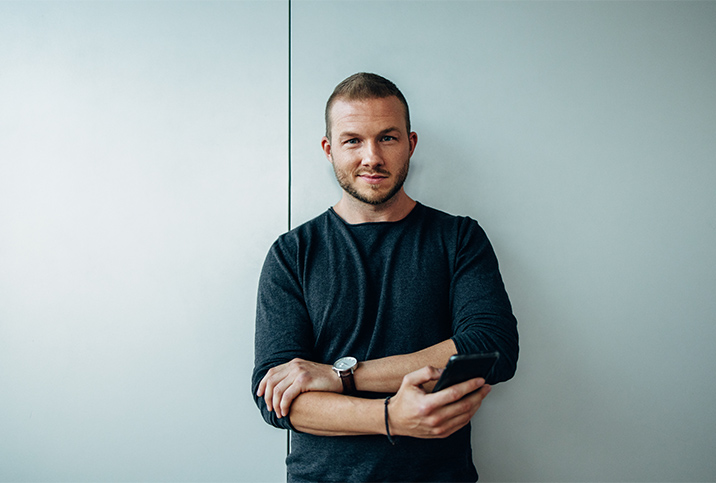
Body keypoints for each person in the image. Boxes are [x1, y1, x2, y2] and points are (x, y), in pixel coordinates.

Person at [252, 72, 518, 482]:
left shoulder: (459, 238)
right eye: (353, 140)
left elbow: (491, 346)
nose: (371, 157)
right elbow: (277, 400)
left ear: (410, 144)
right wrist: (391, 416)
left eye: (387, 138)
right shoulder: (292, 253)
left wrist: (338, 376)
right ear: (329, 150)